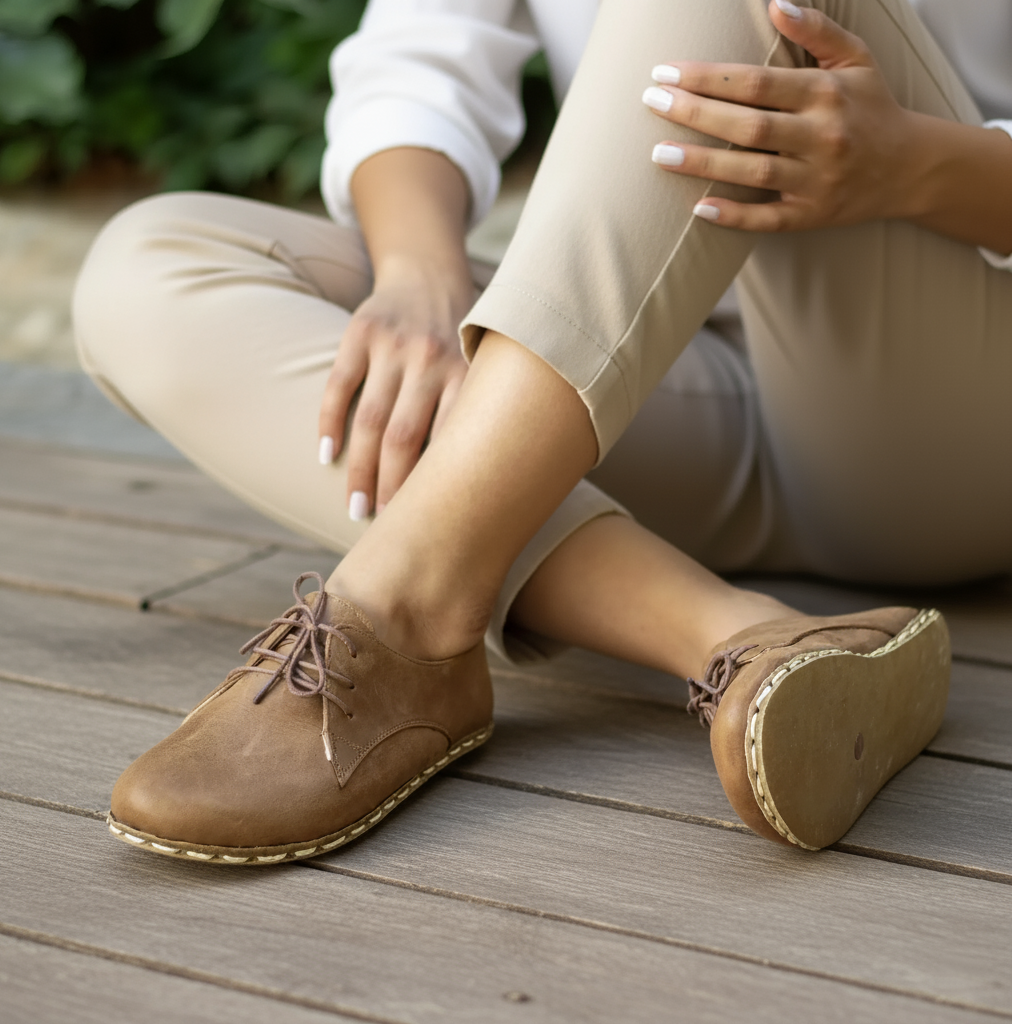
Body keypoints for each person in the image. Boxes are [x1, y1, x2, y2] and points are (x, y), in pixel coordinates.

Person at [74, 0, 1012, 864]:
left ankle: (406, 609)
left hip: (947, 393)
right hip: (657, 368)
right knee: (155, 265)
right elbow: (419, 62)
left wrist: (922, 165)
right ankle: (743, 638)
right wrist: (418, 273)